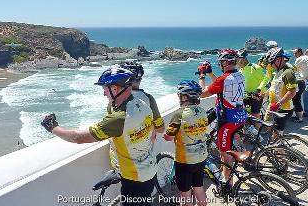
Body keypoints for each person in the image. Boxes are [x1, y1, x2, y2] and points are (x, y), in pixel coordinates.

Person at [41, 67, 157, 206]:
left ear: (115, 89)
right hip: (149, 170)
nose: (104, 94)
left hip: (134, 177)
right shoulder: (144, 104)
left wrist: (53, 127)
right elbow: (152, 134)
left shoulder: (120, 118)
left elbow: (78, 137)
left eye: (105, 89)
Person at [198, 49, 247, 186]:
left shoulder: (223, 79)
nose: (220, 64)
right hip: (240, 116)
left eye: (221, 62)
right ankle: (250, 162)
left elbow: (202, 94)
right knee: (236, 138)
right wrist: (210, 74)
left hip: (227, 121)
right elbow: (221, 86)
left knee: (224, 155)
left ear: (225, 62)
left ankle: (228, 186)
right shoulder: (239, 75)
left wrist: (202, 76)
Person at [164, 80, 208, 206]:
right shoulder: (202, 111)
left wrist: (166, 136)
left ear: (184, 97)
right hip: (201, 157)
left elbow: (168, 137)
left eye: (179, 95)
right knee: (198, 187)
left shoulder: (179, 114)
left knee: (185, 194)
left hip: (185, 161)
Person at [266, 47, 297, 135]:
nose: (270, 66)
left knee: (277, 134)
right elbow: (274, 88)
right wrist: (263, 94)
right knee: (272, 131)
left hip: (283, 108)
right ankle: (274, 147)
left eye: (271, 63)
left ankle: (280, 148)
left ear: (278, 60)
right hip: (274, 106)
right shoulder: (277, 72)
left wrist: (278, 104)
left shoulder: (288, 73)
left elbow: (292, 92)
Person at [237, 48, 268, 121]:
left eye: (237, 60)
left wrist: (259, 92)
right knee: (244, 116)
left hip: (255, 97)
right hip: (244, 97)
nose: (236, 63)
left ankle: (257, 132)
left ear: (243, 59)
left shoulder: (255, 68)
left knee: (255, 115)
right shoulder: (240, 70)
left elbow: (265, 80)